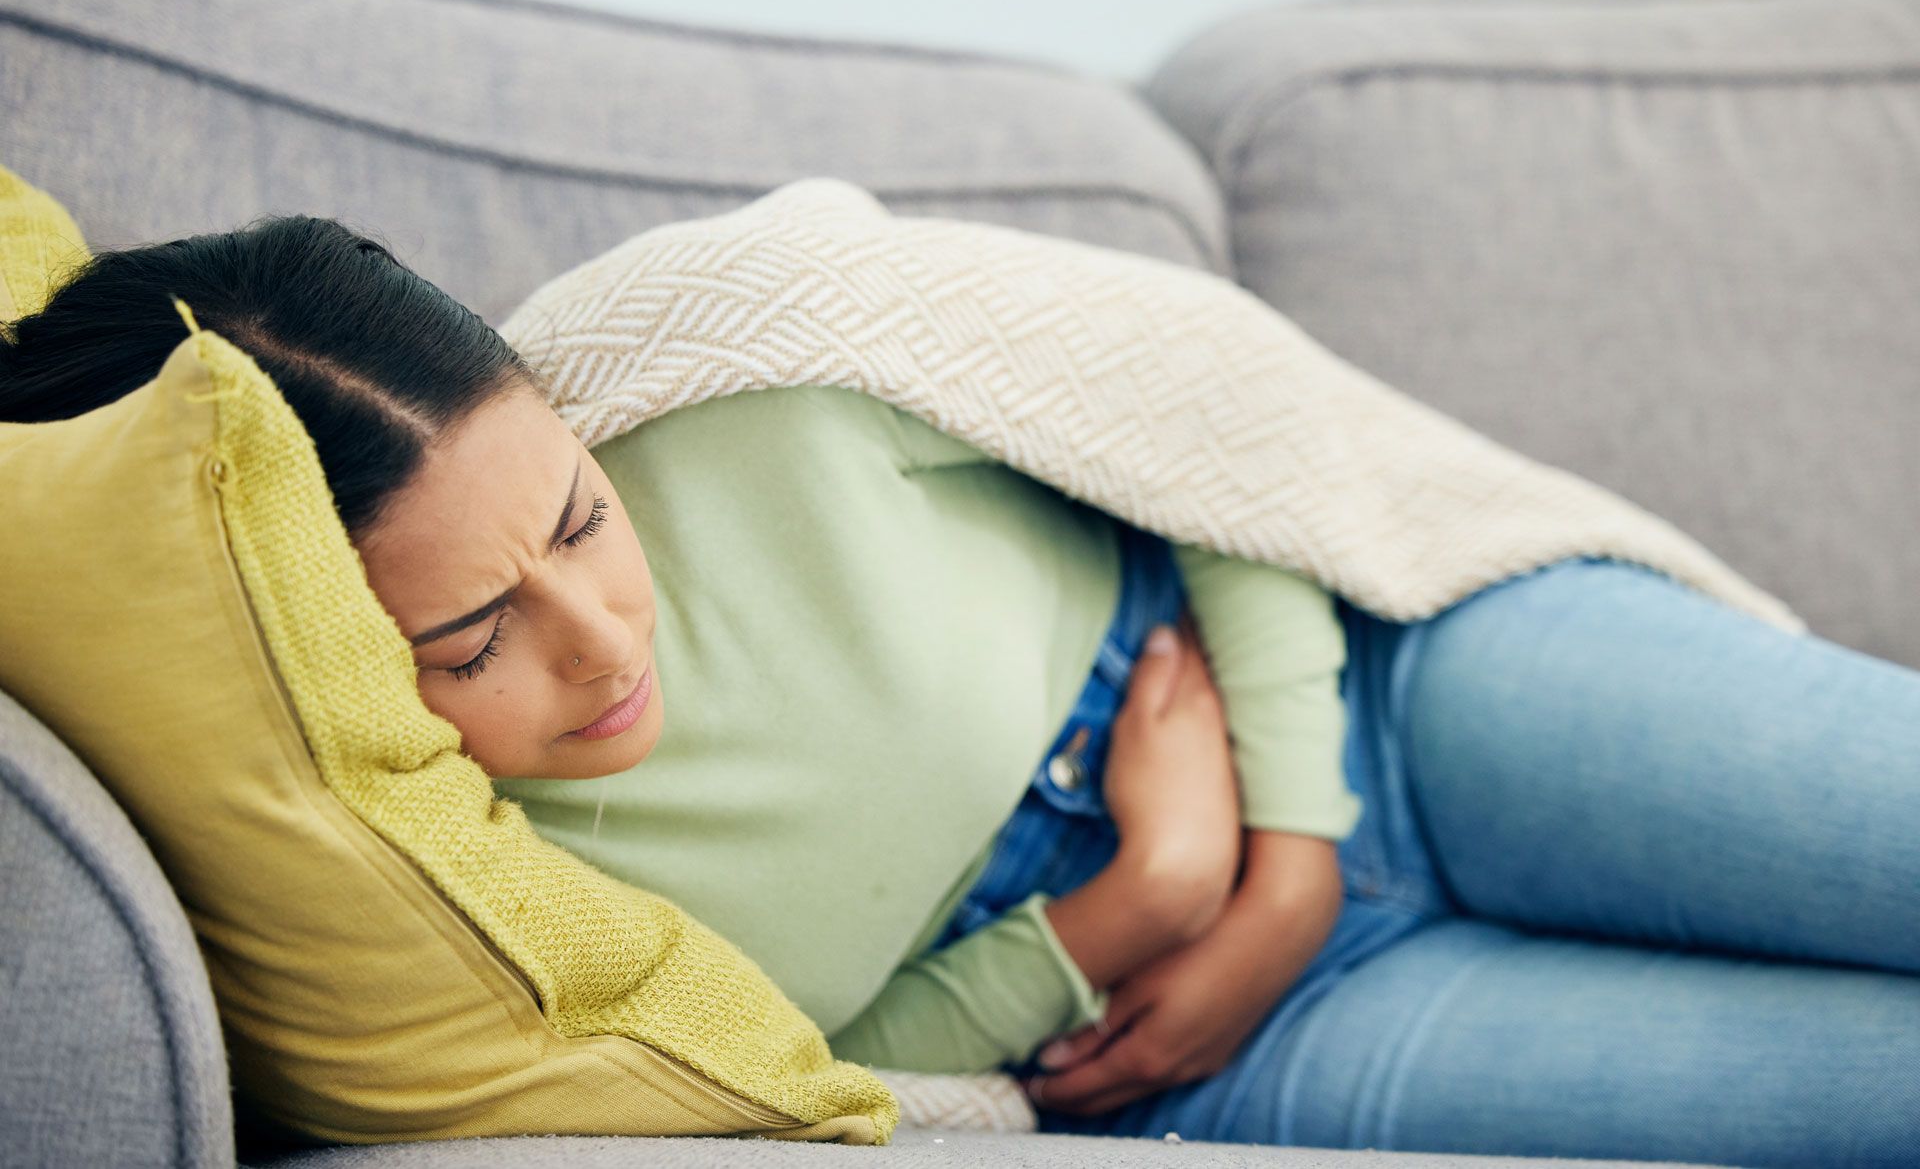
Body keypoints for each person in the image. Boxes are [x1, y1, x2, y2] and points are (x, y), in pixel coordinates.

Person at [3, 214, 1916, 1169]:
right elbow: (866, 1053)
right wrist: (1132, 905)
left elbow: (1206, 431)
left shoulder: (748, 372)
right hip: (1214, 1042)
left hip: (1398, 697)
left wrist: (1293, 839)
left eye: (580, 517)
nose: (601, 642)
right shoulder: (499, 921)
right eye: (474, 642)